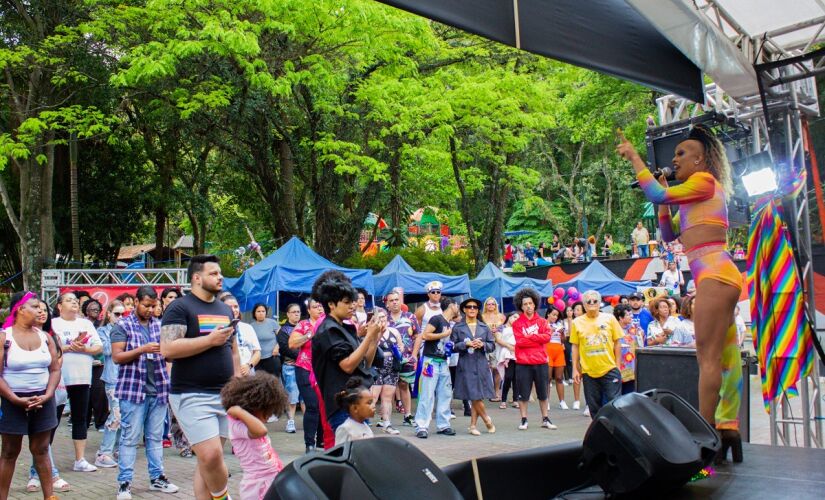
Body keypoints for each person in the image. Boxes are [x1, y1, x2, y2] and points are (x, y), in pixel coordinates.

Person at [618, 125, 744, 462]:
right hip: (716, 276)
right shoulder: (694, 194)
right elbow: (668, 231)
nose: (674, 160)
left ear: (701, 160)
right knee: (727, 356)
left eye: (681, 155)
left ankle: (708, 436)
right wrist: (661, 191)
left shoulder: (703, 182)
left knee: (708, 358)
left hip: (715, 274)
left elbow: (657, 196)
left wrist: (635, 159)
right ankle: (729, 426)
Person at [160, 255, 240, 500]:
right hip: (191, 394)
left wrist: (238, 385)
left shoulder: (225, 308)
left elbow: (233, 350)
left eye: (220, 273)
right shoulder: (180, 307)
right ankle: (222, 497)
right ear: (196, 277)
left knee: (207, 463)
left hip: (224, 394)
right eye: (214, 273)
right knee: (211, 456)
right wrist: (208, 340)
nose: (220, 277)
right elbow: (168, 349)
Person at [112, 286, 179, 499]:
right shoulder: (122, 325)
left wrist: (171, 352)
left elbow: (169, 356)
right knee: (130, 438)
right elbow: (117, 357)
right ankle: (124, 483)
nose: (150, 310)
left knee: (156, 437)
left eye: (154, 306)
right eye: (146, 305)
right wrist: (142, 349)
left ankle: (157, 478)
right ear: (136, 301)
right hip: (133, 391)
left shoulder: (160, 326)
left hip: (158, 389)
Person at [0, 292, 62, 500]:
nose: (40, 310)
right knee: (9, 451)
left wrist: (47, 395)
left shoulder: (46, 337)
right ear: (20, 309)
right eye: (34, 306)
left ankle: (49, 497)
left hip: (43, 400)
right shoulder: (4, 337)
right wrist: (14, 399)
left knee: (42, 449)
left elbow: (54, 369)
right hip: (12, 400)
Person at [311, 275, 382, 439]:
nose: (352, 306)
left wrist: (373, 338)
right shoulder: (328, 330)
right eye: (347, 302)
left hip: (356, 401)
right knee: (350, 456)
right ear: (331, 304)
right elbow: (347, 365)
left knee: (362, 453)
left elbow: (365, 363)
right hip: (342, 405)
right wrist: (369, 336)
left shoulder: (345, 328)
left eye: (353, 302)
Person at [51, 291, 103, 472]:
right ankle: (44, 461)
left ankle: (80, 460)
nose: (73, 303)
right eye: (68, 300)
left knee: (81, 417)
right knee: (53, 419)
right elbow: (49, 347)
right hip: (59, 379)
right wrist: (67, 347)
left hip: (82, 377)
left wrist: (84, 349)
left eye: (75, 300)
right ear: (59, 306)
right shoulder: (52, 324)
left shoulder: (86, 323)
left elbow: (98, 347)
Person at [26, 300, 71, 494]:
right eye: (38, 309)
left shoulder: (53, 337)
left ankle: (37, 473)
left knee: (47, 437)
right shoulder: (13, 337)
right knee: (37, 440)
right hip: (29, 393)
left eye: (45, 310)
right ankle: (47, 475)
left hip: (54, 392)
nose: (42, 313)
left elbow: (56, 365)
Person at [222, 373, 287, 500]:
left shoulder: (246, 423)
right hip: (258, 484)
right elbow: (261, 431)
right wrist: (239, 412)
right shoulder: (237, 425)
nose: (268, 416)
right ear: (253, 406)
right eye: (266, 411)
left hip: (271, 477)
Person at [570, 290, 623, 418]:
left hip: (609, 368)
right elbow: (575, 346)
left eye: (595, 301)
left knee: (614, 404)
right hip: (588, 371)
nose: (592, 303)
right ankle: (599, 432)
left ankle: (615, 433)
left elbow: (617, 343)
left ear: (600, 303)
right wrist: (575, 370)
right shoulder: (576, 322)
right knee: (593, 407)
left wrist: (617, 366)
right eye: (588, 301)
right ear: (584, 304)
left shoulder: (609, 318)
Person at [512, 288, 557, 431]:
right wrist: (537, 338)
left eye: (530, 303)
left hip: (541, 362)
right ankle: (524, 419)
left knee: (543, 393)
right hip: (523, 363)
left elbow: (547, 337)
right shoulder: (517, 323)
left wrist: (531, 337)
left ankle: (545, 418)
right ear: (521, 306)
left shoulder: (543, 322)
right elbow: (520, 342)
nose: (528, 306)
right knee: (523, 394)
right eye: (525, 304)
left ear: (535, 304)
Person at [414, 296, 459, 439]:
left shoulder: (449, 323)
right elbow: (425, 335)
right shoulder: (437, 319)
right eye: (456, 305)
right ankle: (421, 426)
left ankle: (443, 424)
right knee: (427, 393)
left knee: (445, 394)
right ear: (451, 306)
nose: (458, 308)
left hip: (443, 361)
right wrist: (443, 334)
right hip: (430, 361)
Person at [451, 298, 496, 436]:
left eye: (475, 307)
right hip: (466, 364)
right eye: (469, 307)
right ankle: (487, 420)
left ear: (477, 310)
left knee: (478, 396)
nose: (472, 309)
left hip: (481, 364)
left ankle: (472, 426)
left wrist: (483, 345)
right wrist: (467, 344)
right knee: (473, 395)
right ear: (464, 309)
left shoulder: (484, 327)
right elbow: (452, 346)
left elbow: (492, 345)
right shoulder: (458, 327)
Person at [288, 299, 325, 452]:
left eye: (321, 306)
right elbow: (292, 343)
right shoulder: (304, 325)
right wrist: (310, 334)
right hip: (305, 369)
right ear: (309, 310)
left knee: (323, 406)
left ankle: (322, 442)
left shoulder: (329, 324)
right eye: (315, 307)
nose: (319, 309)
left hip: (324, 371)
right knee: (312, 406)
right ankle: (309, 443)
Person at [94, 300, 125, 469]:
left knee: (125, 416)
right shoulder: (103, 330)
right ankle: (104, 452)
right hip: (112, 379)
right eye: (117, 314)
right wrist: (117, 333)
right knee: (116, 415)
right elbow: (106, 350)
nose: (120, 317)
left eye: (123, 314)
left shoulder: (126, 328)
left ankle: (117, 450)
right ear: (109, 314)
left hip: (126, 378)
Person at [384, 291, 420, 426]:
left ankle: (408, 415)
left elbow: (418, 336)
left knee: (404, 385)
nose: (394, 302)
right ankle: (385, 419)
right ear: (387, 304)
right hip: (387, 358)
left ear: (400, 302)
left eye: (396, 300)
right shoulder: (384, 319)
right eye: (391, 300)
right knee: (388, 387)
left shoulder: (410, 317)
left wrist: (414, 354)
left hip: (406, 357)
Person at [367, 308, 402, 435]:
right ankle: (364, 423)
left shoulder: (394, 331)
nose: (382, 319)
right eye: (379, 317)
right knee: (373, 397)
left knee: (387, 397)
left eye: (384, 317)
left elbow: (401, 346)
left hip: (392, 367)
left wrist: (399, 351)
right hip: (377, 367)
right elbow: (369, 348)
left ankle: (387, 424)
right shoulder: (372, 333)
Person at [82, 298, 108, 433]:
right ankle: (83, 422)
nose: (96, 311)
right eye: (93, 308)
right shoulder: (81, 325)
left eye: (98, 309)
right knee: (85, 393)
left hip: (99, 364)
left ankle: (101, 422)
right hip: (84, 363)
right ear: (86, 310)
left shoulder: (102, 325)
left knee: (99, 392)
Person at [276, 303, 302, 433]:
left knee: (305, 397)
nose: (297, 314)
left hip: (305, 367)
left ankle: (309, 421)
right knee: (292, 397)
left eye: (298, 311)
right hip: (290, 366)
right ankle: (290, 421)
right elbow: (285, 348)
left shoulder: (305, 327)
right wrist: (303, 357)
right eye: (294, 312)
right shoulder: (283, 330)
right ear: (288, 314)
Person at [222, 296, 261, 377]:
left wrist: (248, 366)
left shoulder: (248, 327)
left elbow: (257, 352)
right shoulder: (218, 329)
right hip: (228, 377)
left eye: (236, 306)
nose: (234, 310)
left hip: (248, 377)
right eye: (229, 307)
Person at [333, 377, 375, 445]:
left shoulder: (365, 426)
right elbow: (340, 453)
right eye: (369, 403)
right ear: (355, 408)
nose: (374, 406)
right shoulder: (345, 429)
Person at [613, 304, 643, 394]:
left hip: (632, 368)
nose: (631, 316)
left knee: (630, 394)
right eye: (628, 315)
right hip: (617, 367)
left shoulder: (635, 327)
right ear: (620, 318)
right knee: (616, 395)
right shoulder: (612, 330)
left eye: (631, 314)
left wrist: (641, 335)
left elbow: (641, 343)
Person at [481, 298, 506, 403]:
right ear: (485, 305)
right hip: (485, 344)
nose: (491, 306)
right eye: (488, 304)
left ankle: (496, 392)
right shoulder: (481, 317)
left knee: (496, 369)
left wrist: (499, 329)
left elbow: (506, 329)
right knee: (485, 369)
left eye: (493, 304)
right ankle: (486, 391)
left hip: (497, 344)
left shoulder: (501, 316)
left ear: (496, 305)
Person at [544, 306, 567, 410]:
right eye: (553, 314)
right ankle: (546, 401)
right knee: (547, 378)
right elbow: (542, 338)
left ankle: (562, 401)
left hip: (558, 350)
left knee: (559, 378)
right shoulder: (543, 323)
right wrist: (550, 331)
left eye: (556, 315)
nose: (555, 317)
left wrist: (562, 333)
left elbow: (563, 340)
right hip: (547, 349)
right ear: (548, 314)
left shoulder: (560, 324)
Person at [250, 304, 281, 381]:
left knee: (274, 382)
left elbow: (281, 337)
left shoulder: (272, 323)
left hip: (272, 358)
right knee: (259, 383)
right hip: (258, 360)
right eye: (258, 311)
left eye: (263, 311)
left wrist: (277, 347)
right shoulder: (251, 326)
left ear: (266, 312)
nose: (261, 313)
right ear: (254, 313)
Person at [495, 314, 518, 409]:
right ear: (509, 317)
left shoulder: (519, 328)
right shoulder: (501, 327)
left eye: (518, 318)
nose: (515, 319)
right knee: (508, 377)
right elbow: (498, 339)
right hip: (506, 354)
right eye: (514, 316)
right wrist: (509, 346)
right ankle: (503, 399)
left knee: (516, 378)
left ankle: (515, 400)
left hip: (517, 354)